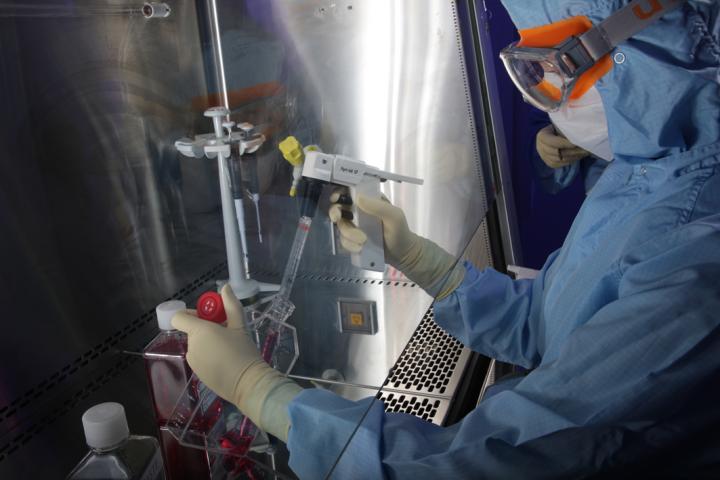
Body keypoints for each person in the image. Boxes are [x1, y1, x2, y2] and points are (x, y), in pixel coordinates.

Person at [172, 0, 720, 477]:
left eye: (553, 67)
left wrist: (259, 392)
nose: (544, 101)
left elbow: (478, 465)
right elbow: (545, 327)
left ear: (650, 46)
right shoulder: (645, 176)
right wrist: (422, 260)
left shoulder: (698, 254)